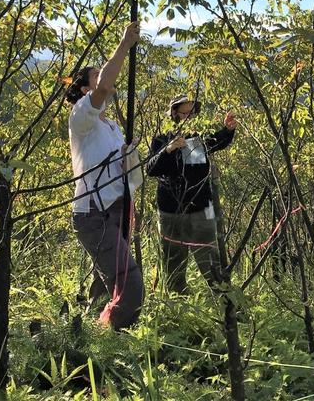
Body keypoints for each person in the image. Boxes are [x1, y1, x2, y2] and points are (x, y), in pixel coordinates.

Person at [65, 21, 144, 330]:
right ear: (85, 89)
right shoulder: (81, 117)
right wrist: (125, 44)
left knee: (104, 282)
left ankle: (87, 336)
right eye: (96, 75)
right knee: (129, 284)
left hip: (115, 210)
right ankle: (114, 337)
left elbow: (121, 171)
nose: (103, 78)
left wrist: (127, 161)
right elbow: (103, 87)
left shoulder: (110, 127)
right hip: (93, 213)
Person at [146, 94, 237, 294]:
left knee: (211, 263)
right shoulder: (162, 138)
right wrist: (168, 150)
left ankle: (228, 306)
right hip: (171, 212)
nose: (189, 116)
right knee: (174, 266)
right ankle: (180, 310)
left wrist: (228, 130)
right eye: (184, 112)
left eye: (192, 112)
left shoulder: (199, 136)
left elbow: (217, 141)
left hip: (201, 209)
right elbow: (151, 169)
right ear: (174, 113)